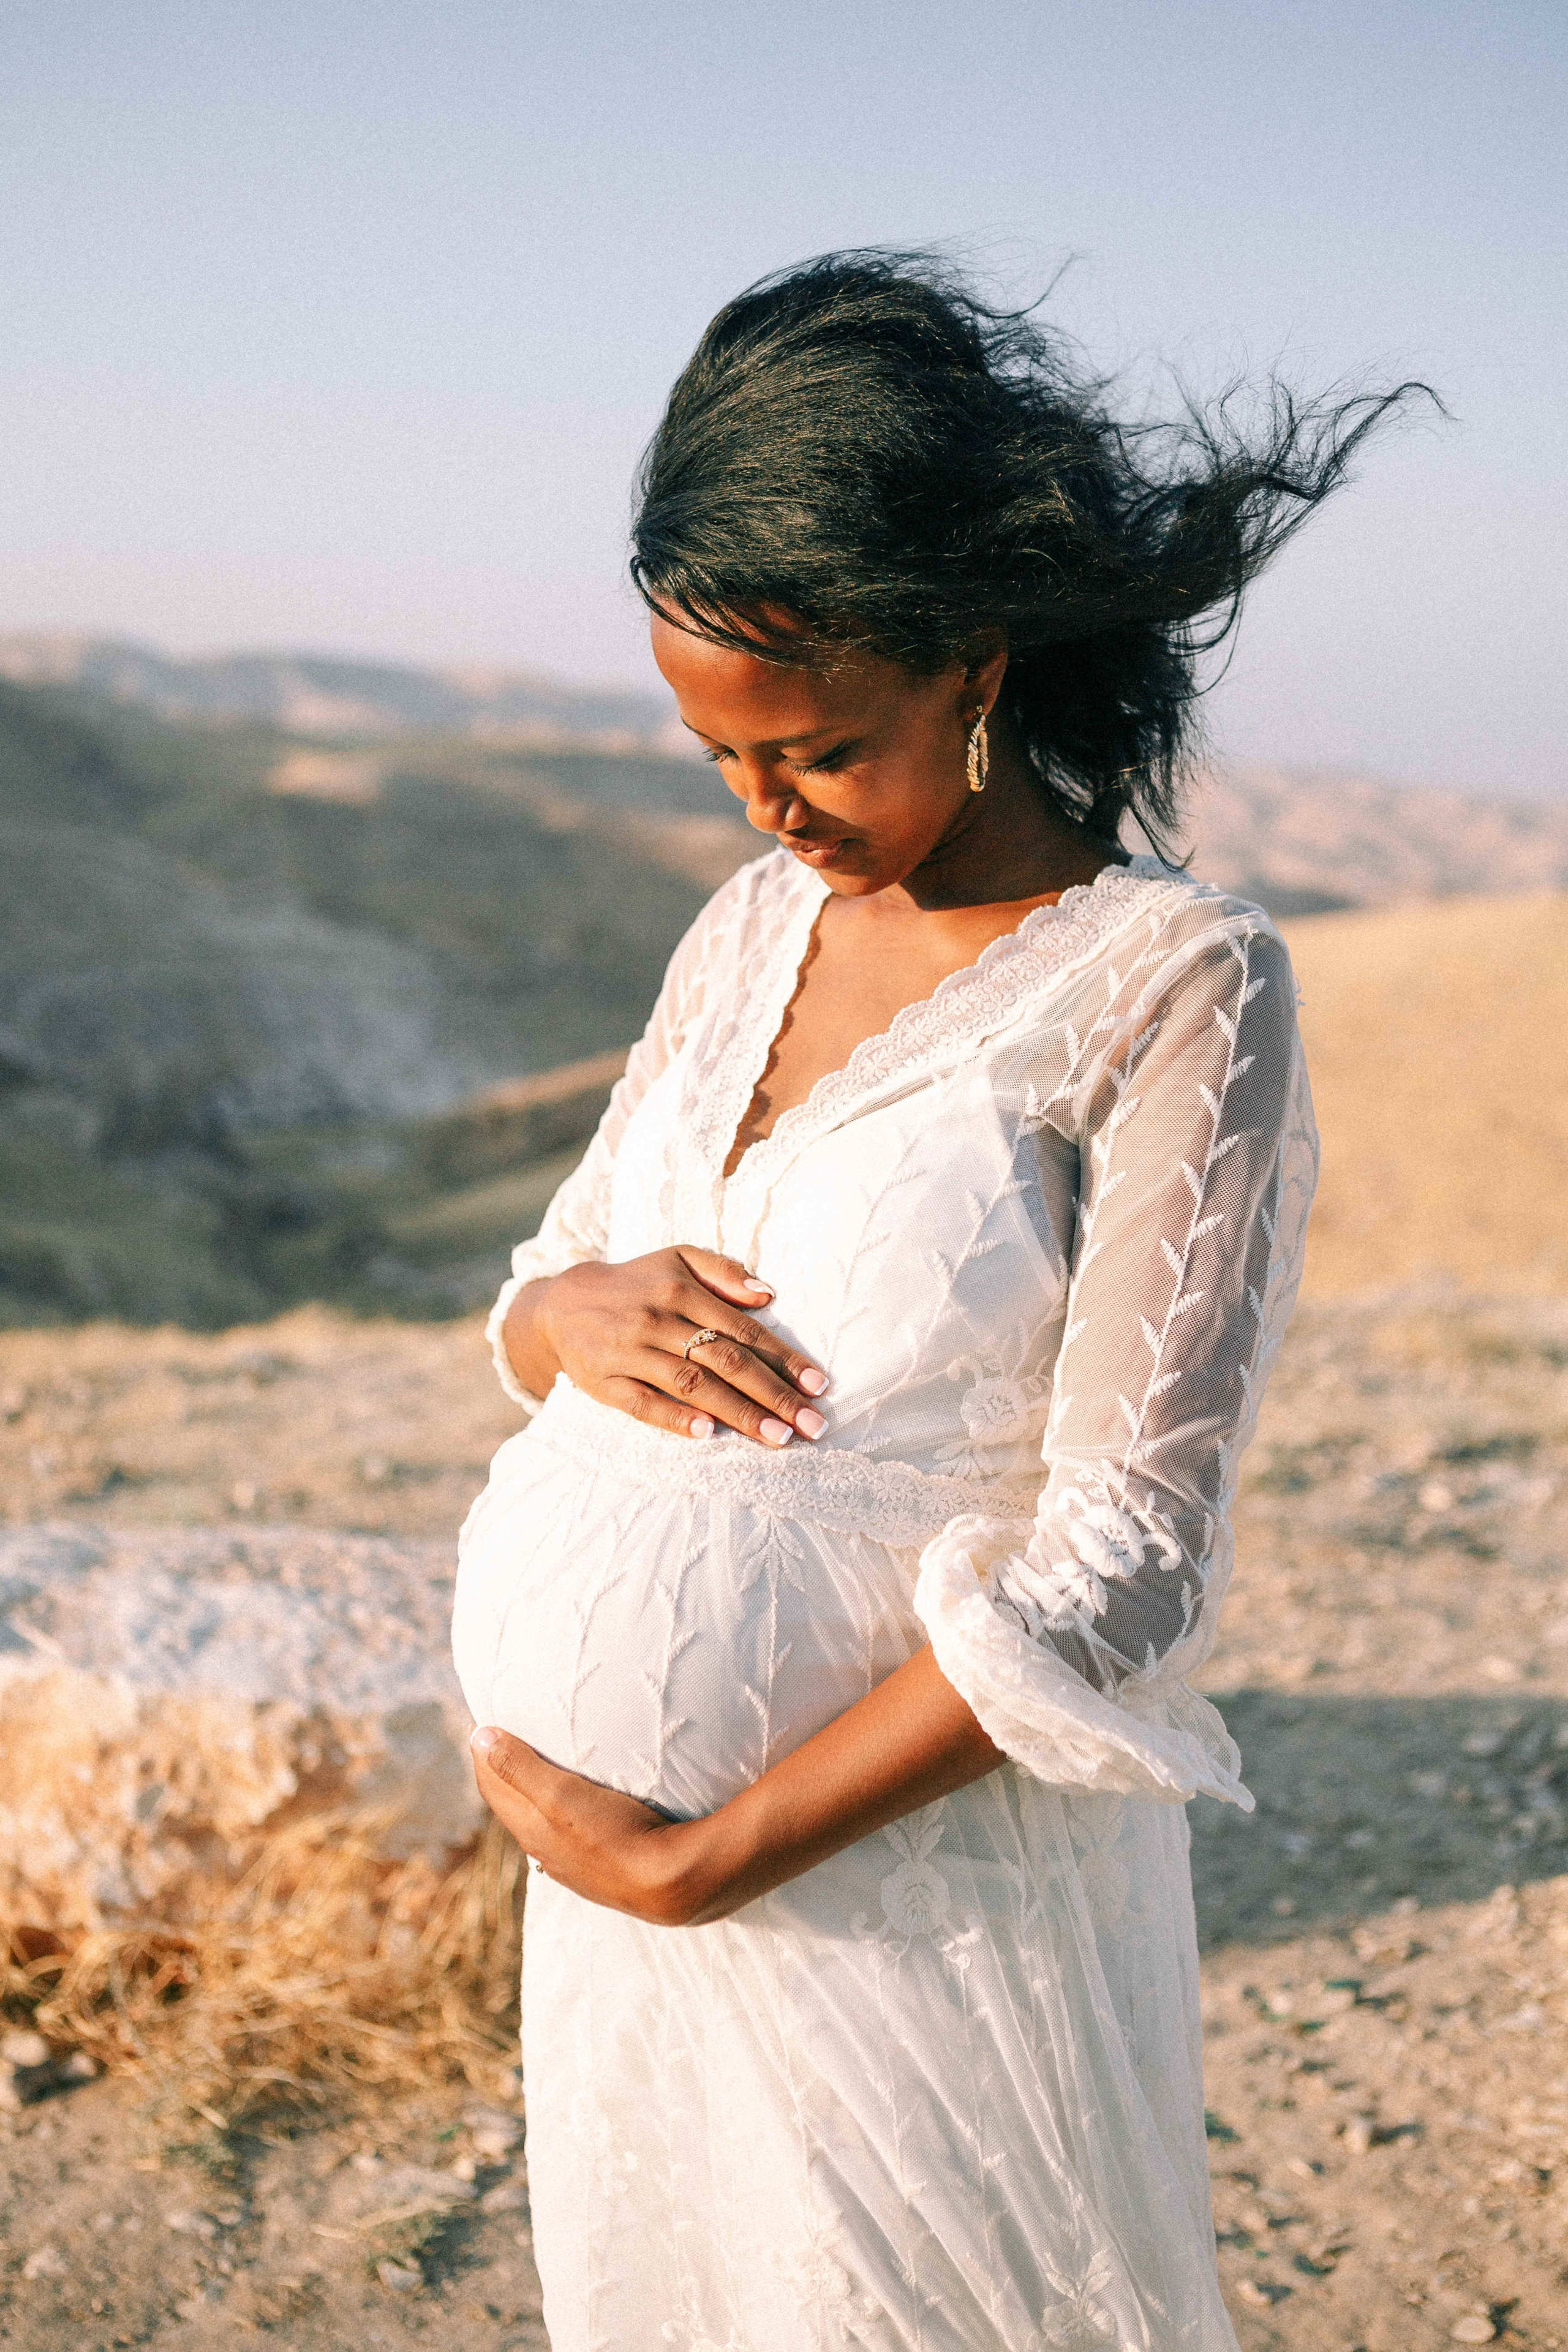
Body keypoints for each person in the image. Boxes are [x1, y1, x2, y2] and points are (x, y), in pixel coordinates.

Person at [451, 252, 1419, 2352]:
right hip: (628, 1918)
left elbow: (1129, 1569)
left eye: (816, 750)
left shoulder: (1174, 981)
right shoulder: (746, 931)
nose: (764, 811)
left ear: (974, 660)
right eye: (717, 758)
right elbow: (542, 1285)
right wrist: (577, 1316)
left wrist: (722, 1851)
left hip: (902, 1907)